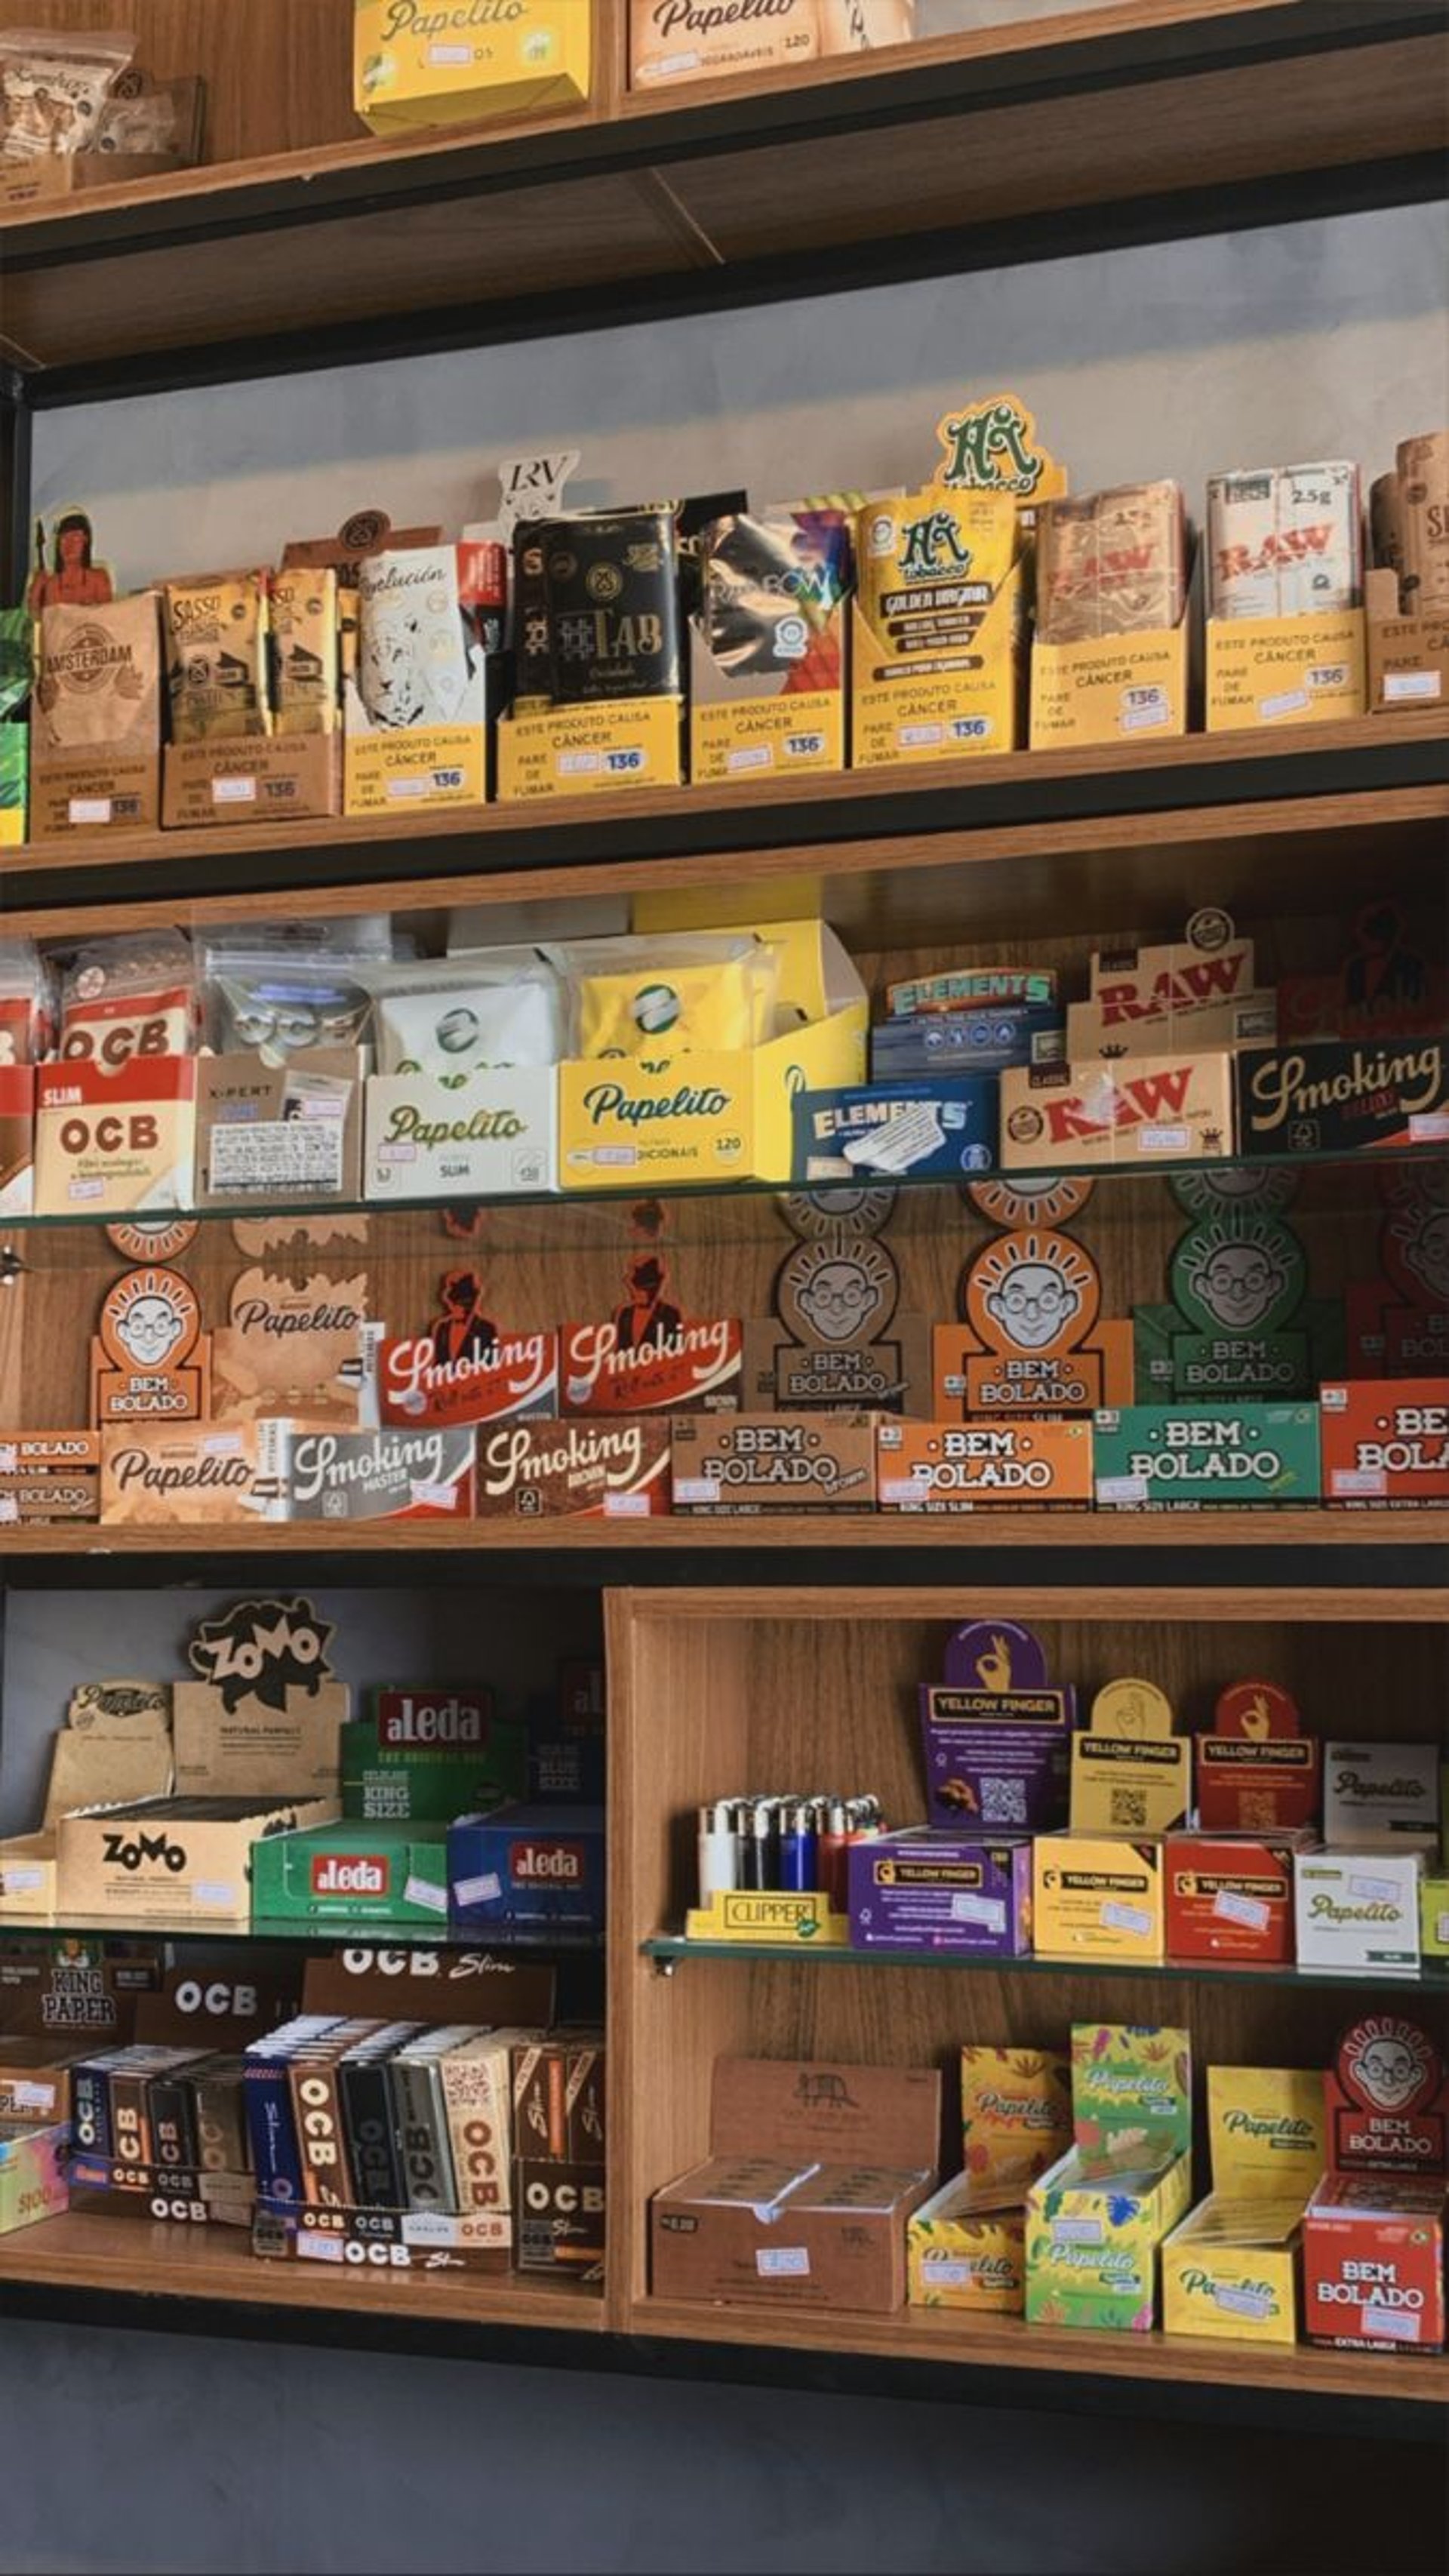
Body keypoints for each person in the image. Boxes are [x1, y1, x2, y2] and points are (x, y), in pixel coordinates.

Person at [28, 511, 114, 612]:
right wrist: (37, 590)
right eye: (64, 539)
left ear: (86, 541)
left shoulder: (98, 579)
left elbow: (107, 618)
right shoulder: (51, 584)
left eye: (75, 538)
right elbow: (37, 618)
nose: (69, 545)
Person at [613, 1253, 682, 1352]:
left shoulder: (671, 1313)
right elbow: (620, 1351)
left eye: (641, 1289)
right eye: (633, 1288)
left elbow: (675, 1352)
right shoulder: (624, 1313)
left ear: (656, 1289)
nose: (633, 1292)